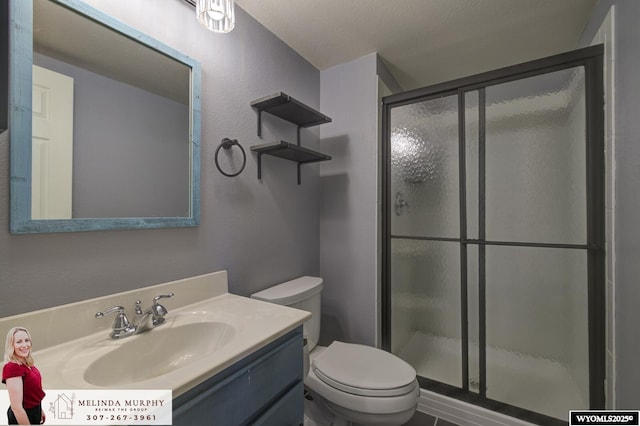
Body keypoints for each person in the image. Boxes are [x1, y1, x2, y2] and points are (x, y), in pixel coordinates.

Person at [2, 327, 45, 425]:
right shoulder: (12, 367)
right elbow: (16, 408)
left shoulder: (26, 363)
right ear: (11, 345)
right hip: (22, 417)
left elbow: (30, 393)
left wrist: (39, 410)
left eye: (27, 340)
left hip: (34, 412)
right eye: (19, 342)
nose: (24, 345)